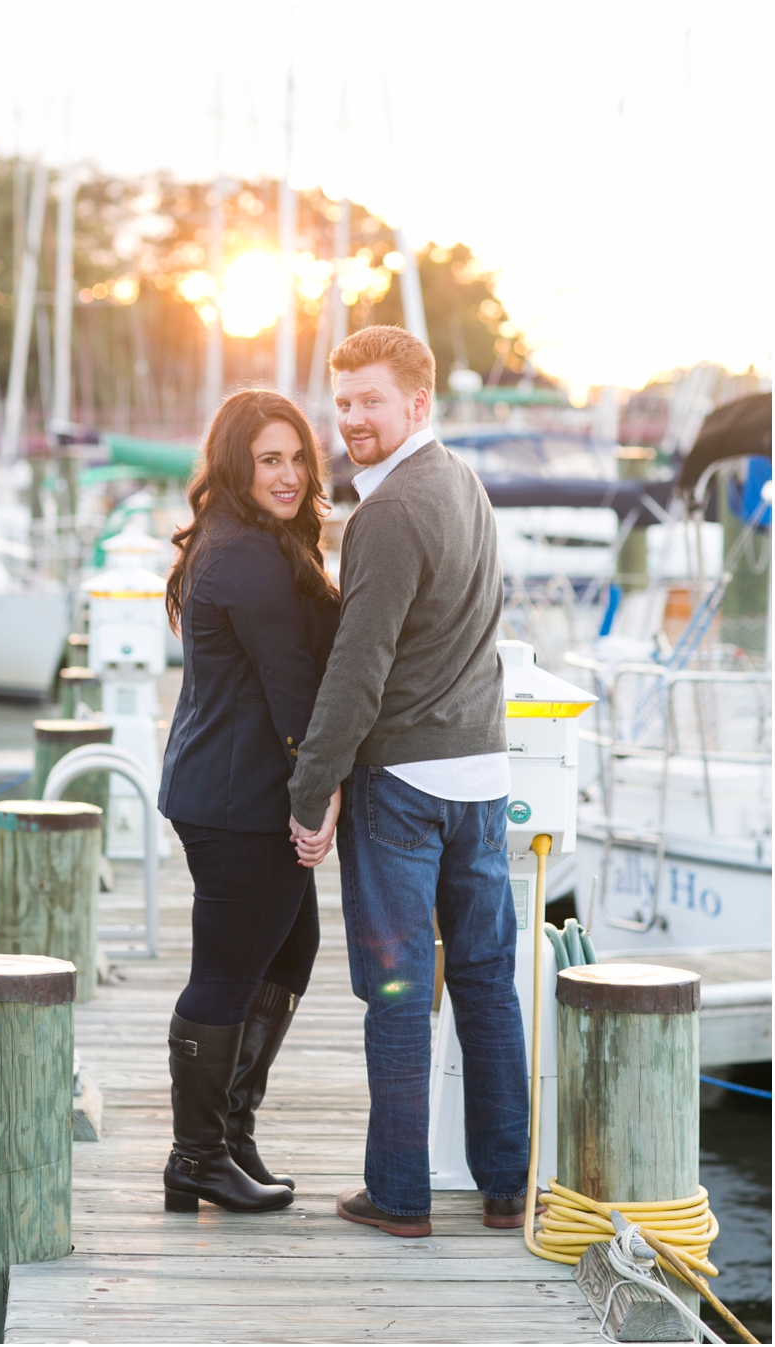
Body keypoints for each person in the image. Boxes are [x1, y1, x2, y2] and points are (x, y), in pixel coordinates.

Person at [289, 326, 530, 1238]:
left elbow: (358, 670)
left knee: (396, 991)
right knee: (484, 982)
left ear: (417, 403)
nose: (350, 418)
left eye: (370, 401)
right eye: (342, 401)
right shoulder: (463, 481)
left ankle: (399, 1193)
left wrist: (311, 792)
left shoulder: (387, 512)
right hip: (480, 774)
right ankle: (507, 1186)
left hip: (406, 784)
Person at [158, 389, 341, 1214]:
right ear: (237, 464)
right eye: (270, 458)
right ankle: (196, 1156)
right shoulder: (245, 556)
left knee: (289, 952)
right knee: (226, 973)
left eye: (299, 457)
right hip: (237, 801)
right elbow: (292, 690)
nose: (291, 474)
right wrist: (319, 798)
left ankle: (230, 1133)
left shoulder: (255, 543)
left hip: (238, 790)